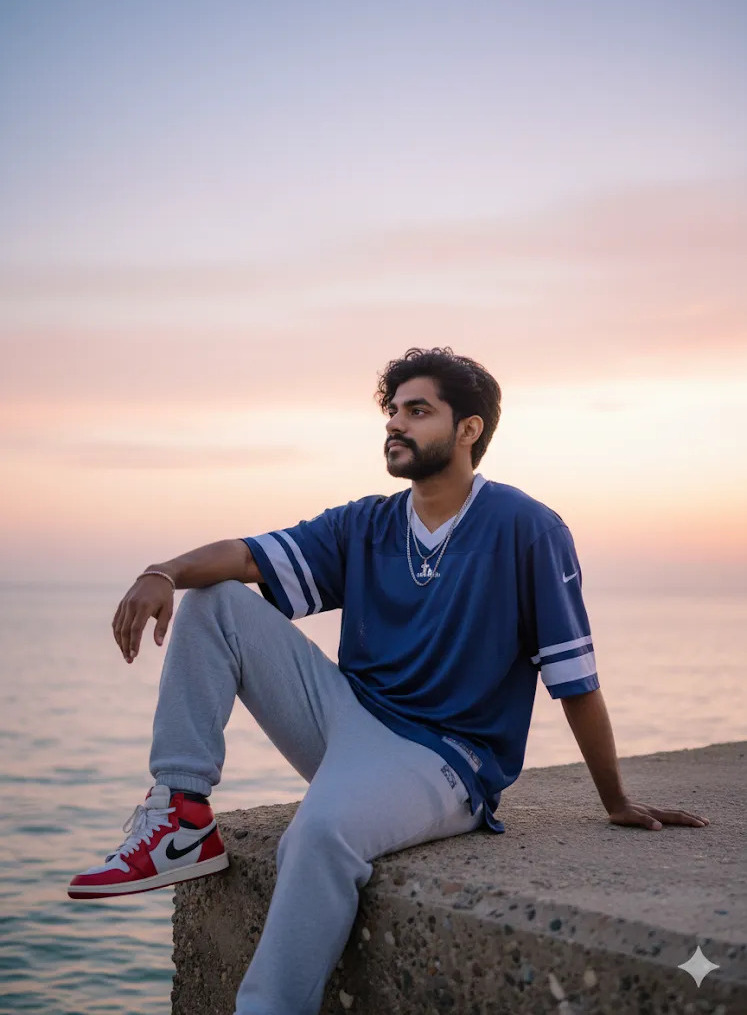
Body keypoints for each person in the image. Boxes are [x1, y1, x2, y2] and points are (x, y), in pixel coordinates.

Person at [68, 347, 709, 1014]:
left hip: (443, 759)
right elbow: (250, 555)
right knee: (214, 597)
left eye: (417, 410)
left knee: (317, 836)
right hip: (347, 719)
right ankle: (181, 814)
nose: (395, 424)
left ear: (467, 429)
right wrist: (161, 571)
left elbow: (573, 678)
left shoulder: (525, 527)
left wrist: (614, 799)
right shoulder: (366, 522)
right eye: (392, 411)